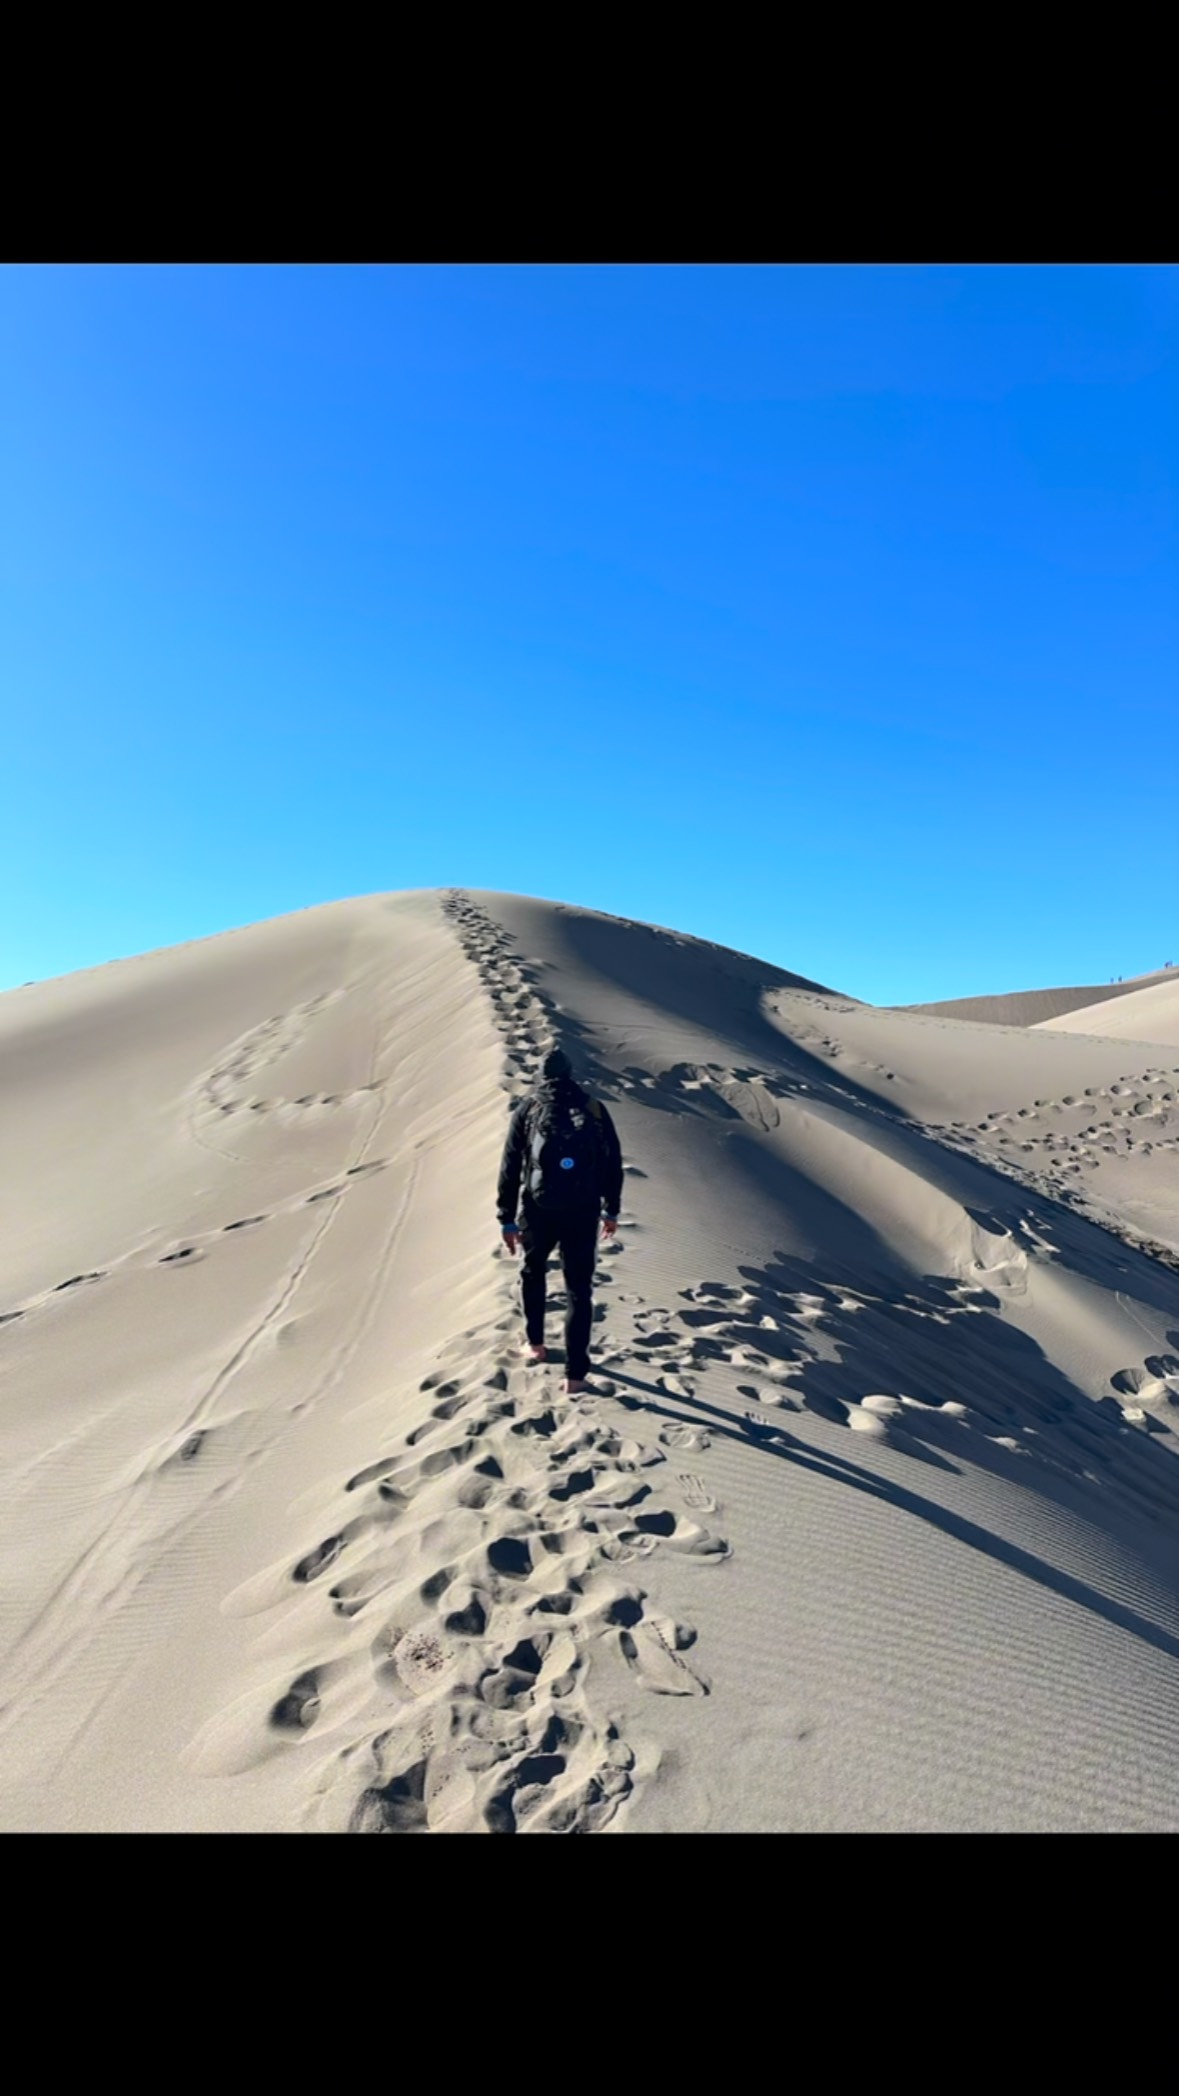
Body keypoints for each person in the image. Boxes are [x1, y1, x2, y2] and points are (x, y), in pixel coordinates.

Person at [496, 1047, 623, 1393]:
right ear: (569, 1074)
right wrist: (612, 1209)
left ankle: (535, 1345)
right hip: (583, 1211)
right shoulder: (593, 1108)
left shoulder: (529, 1108)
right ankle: (576, 1375)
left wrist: (506, 1218)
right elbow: (613, 1162)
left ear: (541, 1075)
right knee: (579, 1291)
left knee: (532, 1271)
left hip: (538, 1210)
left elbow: (509, 1166)